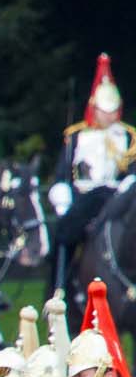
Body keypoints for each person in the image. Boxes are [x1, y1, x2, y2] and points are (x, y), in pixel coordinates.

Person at [51, 56, 132, 302]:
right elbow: (63, 174)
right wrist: (62, 197)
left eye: (113, 111)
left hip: (118, 196)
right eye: (104, 111)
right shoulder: (77, 136)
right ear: (94, 108)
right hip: (85, 196)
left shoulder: (128, 136)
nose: (109, 116)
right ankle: (60, 287)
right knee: (65, 232)